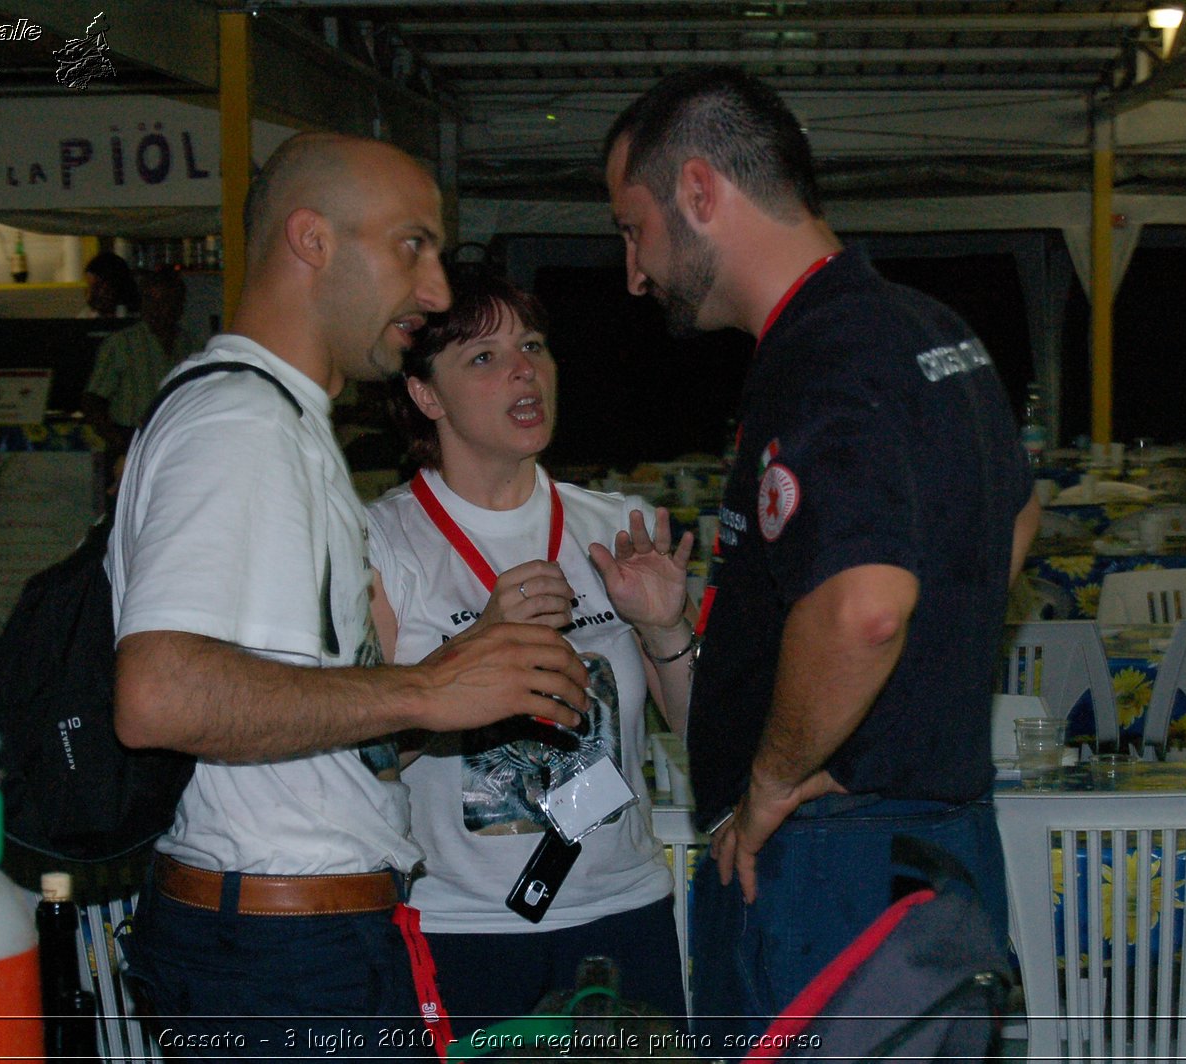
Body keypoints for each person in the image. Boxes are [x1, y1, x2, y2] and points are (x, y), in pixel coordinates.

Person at [107, 132, 589, 1057]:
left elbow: (300, 727)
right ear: (312, 240)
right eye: (413, 245)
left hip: (300, 941)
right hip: (281, 952)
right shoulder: (242, 425)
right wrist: (424, 687)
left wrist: (446, 680)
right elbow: (158, 693)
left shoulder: (279, 422)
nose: (438, 289)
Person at [602, 67, 1041, 1039]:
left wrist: (769, 781)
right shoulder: (931, 327)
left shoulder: (822, 360)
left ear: (701, 192)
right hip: (941, 846)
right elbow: (1014, 519)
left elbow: (863, 606)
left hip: (827, 870)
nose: (632, 271)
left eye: (633, 229)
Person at [365, 268, 694, 1035]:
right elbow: (361, 760)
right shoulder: (382, 541)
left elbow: (709, 742)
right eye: (483, 357)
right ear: (425, 395)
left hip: (622, 913)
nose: (523, 370)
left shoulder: (619, 525)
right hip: (461, 927)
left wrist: (667, 630)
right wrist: (473, 653)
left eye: (534, 346)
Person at [80, 269, 202, 456]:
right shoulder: (120, 344)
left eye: (165, 301)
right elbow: (93, 401)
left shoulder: (194, 347)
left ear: (179, 305)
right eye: (150, 300)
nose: (156, 308)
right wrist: (120, 442)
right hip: (128, 442)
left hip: (176, 444)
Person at [80, 250, 139, 319]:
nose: (91, 295)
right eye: (90, 287)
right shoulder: (87, 316)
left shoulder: (136, 320)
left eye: (97, 287)